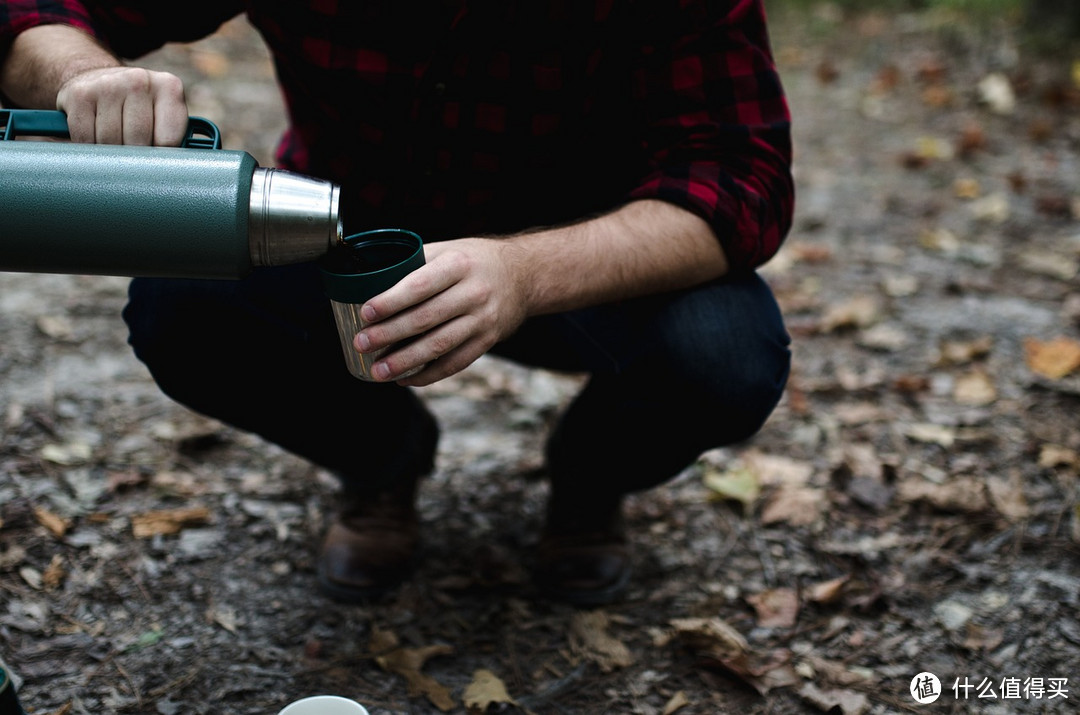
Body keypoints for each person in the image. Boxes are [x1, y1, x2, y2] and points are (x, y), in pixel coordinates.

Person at [0, 0, 794, 606]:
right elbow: (37, 8)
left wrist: (523, 273)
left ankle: (589, 481)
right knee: (183, 304)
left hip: (589, 255)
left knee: (723, 354)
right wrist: (77, 73)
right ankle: (380, 463)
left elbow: (742, 177)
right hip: (347, 233)